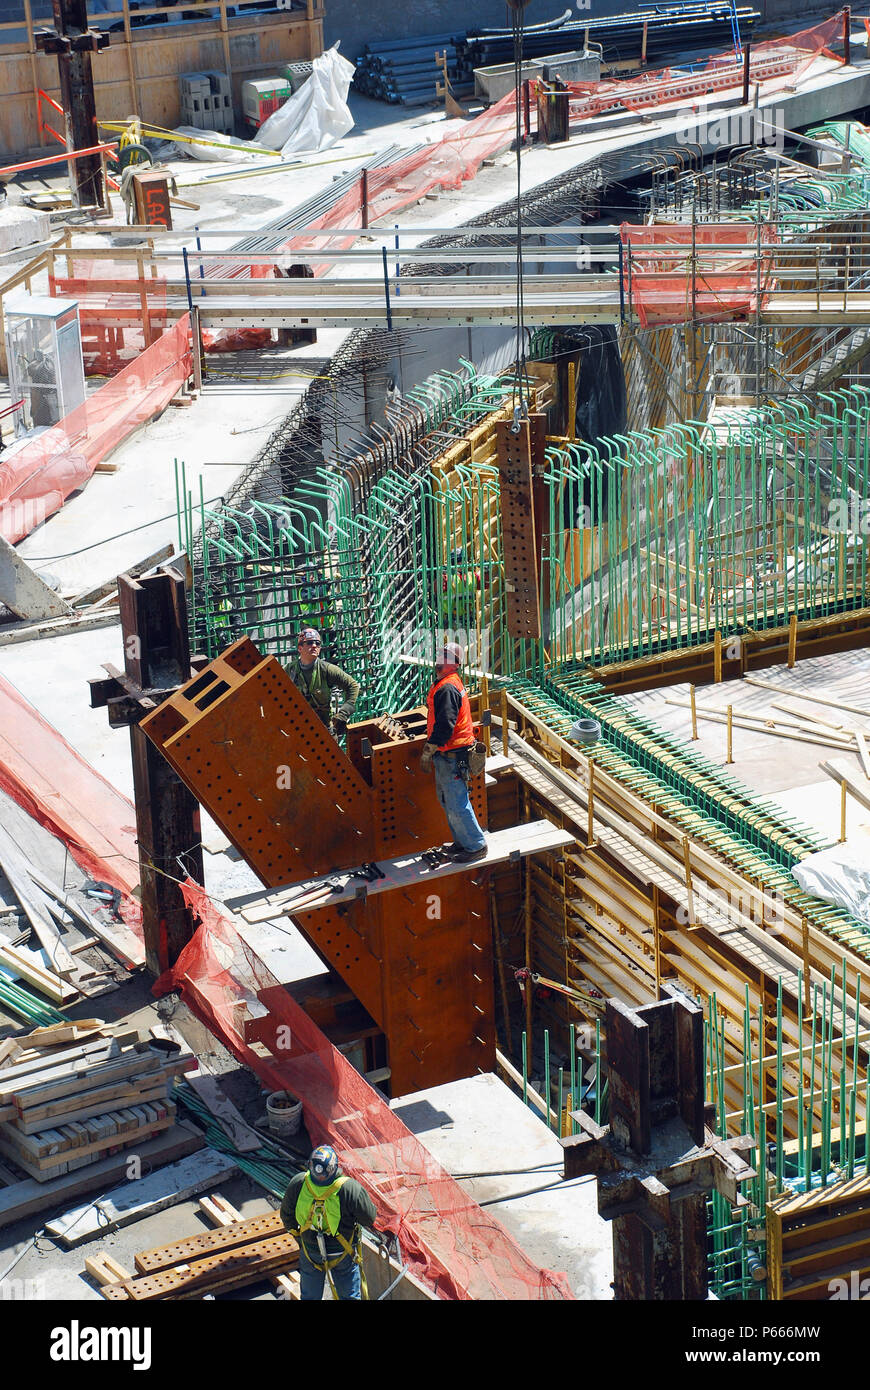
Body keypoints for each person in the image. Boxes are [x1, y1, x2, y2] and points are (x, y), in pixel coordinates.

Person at [280, 1145, 379, 1301]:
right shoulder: (349, 1188)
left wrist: (299, 1237)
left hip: (310, 1250)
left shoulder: (299, 1183)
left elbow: (286, 1215)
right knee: (349, 1296)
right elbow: (369, 1218)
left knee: (310, 1296)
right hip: (342, 1251)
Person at [419, 642, 488, 864]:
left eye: (446, 656)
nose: (440, 658)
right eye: (440, 653)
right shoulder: (447, 684)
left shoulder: (447, 688)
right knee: (448, 801)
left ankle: (476, 846)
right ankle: (462, 841)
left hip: (452, 754)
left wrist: (428, 750)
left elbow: (446, 725)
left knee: (456, 803)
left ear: (455, 664)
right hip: (449, 753)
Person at [286, 627, 359, 739]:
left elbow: (353, 685)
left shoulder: (326, 669)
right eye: (309, 643)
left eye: (317, 643)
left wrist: (344, 712)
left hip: (324, 730)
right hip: (298, 730)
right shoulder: (289, 670)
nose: (314, 646)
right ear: (300, 648)